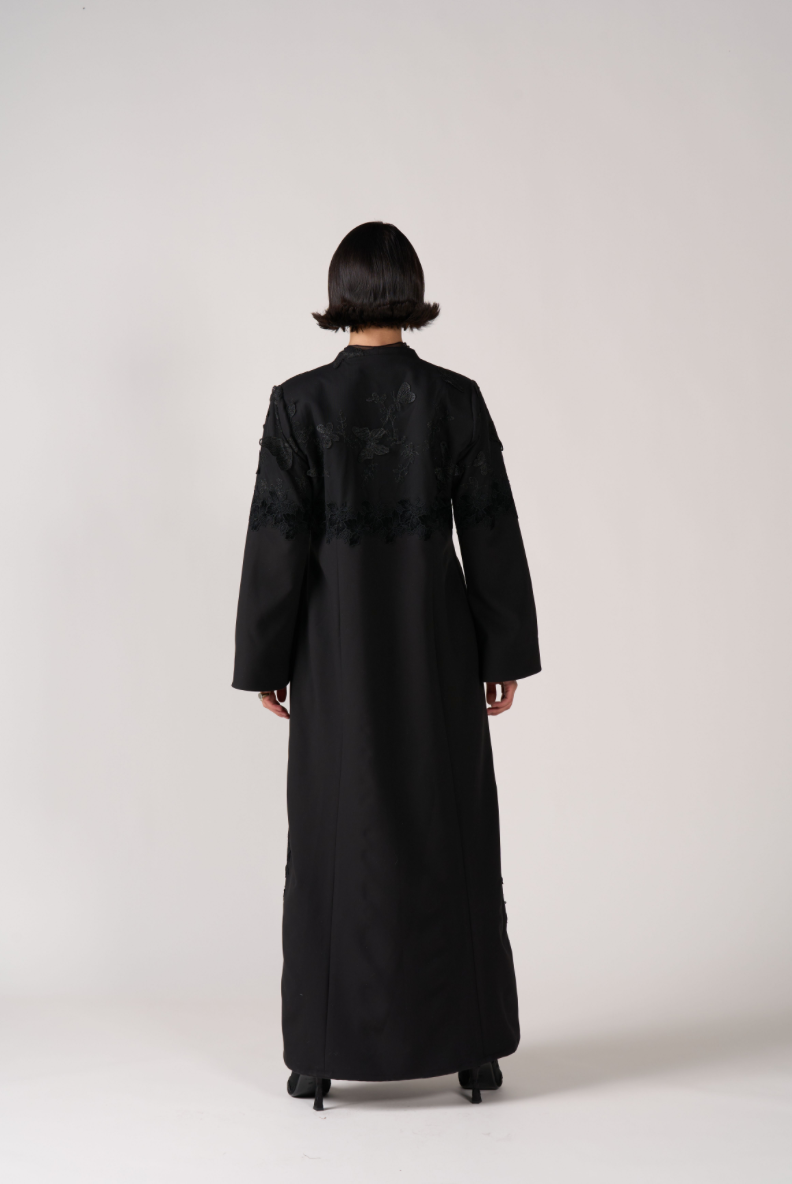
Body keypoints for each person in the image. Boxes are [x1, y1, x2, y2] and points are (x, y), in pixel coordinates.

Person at [232, 222, 540, 1110]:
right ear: (410, 290)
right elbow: (490, 530)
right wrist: (502, 647)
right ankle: (471, 1049)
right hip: (437, 650)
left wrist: (265, 657)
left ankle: (320, 1053)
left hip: (333, 657)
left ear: (341, 294)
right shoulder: (455, 399)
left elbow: (275, 544)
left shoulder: (298, 405)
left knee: (336, 834)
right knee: (449, 829)